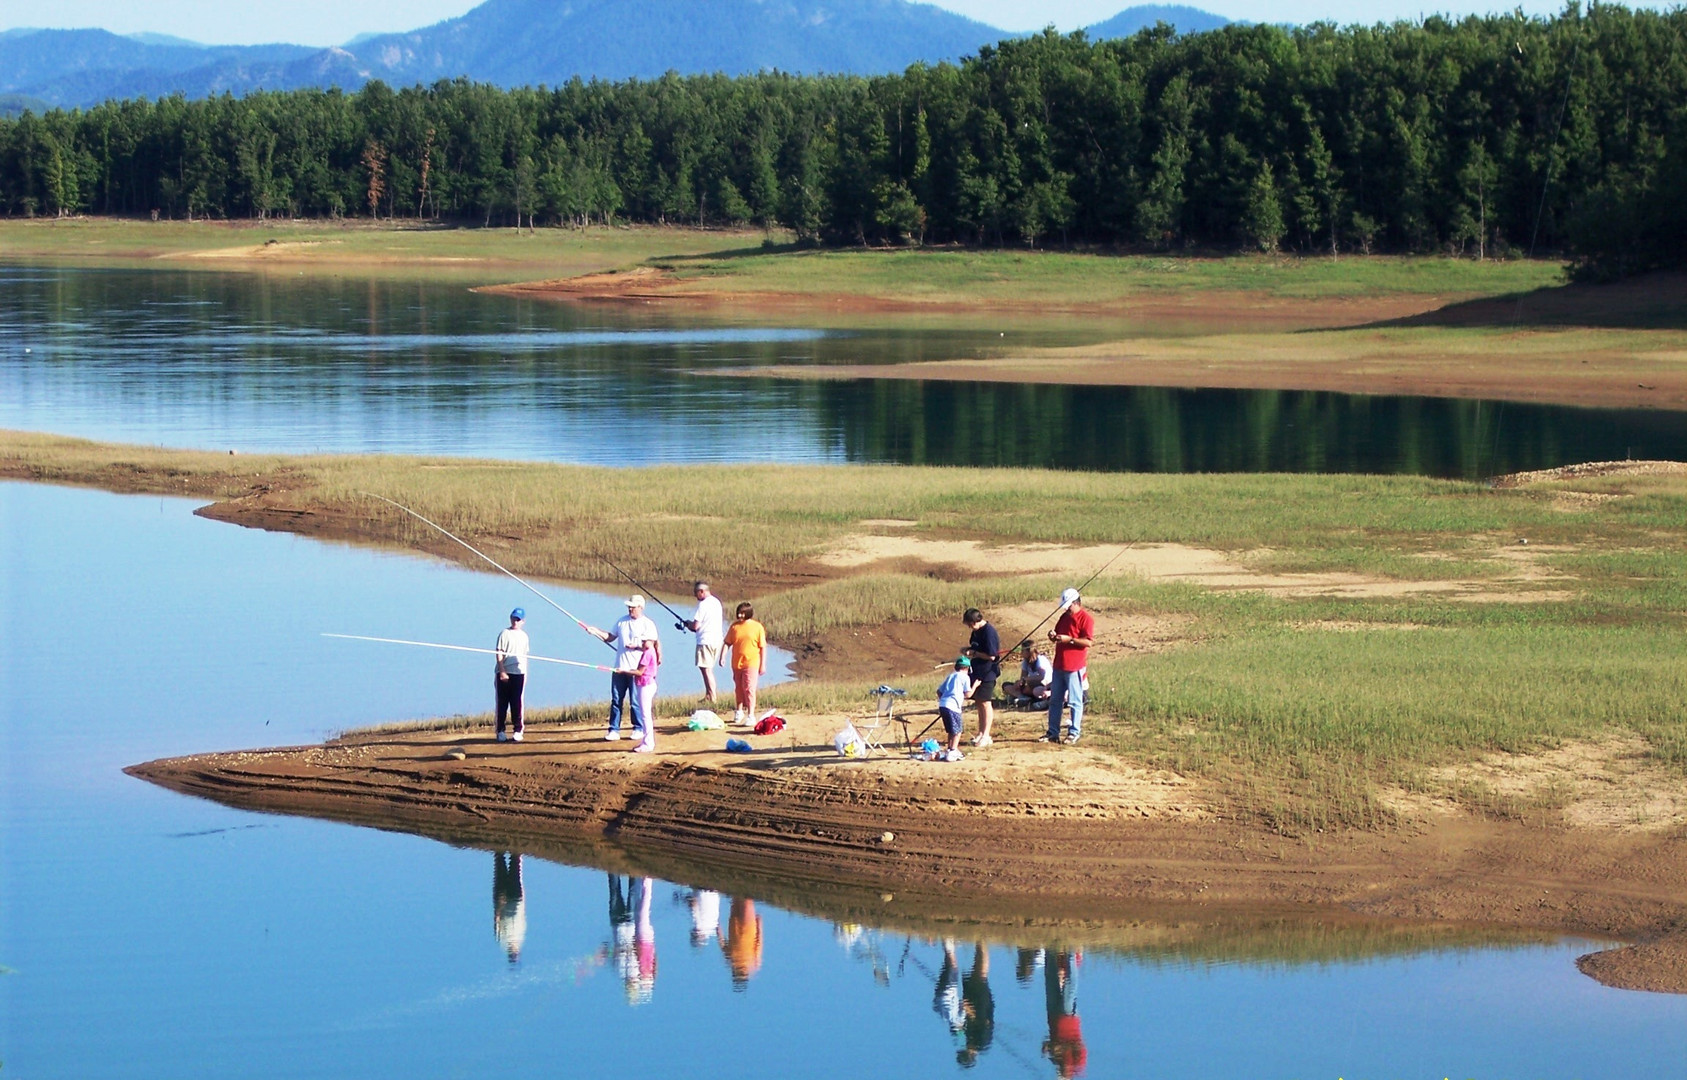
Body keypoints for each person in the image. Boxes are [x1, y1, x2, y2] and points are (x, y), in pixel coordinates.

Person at [588, 595, 660, 741]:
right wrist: (595, 631)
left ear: (640, 607)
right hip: (619, 667)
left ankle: (638, 728)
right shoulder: (622, 621)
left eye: (632, 606)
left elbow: (651, 647)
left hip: (636, 671)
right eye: (629, 606)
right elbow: (610, 637)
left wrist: (636, 646)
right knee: (616, 699)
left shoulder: (648, 624)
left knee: (635, 701)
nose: (630, 609)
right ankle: (614, 730)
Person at [1043, 589, 1094, 745]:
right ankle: (1052, 732)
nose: (1066, 609)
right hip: (1059, 665)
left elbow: (1088, 642)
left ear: (1076, 603)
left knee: (1075, 701)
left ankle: (1074, 732)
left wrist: (1070, 639)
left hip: (1074, 666)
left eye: (1069, 606)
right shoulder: (1064, 617)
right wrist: (1053, 636)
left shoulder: (1086, 619)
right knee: (1055, 700)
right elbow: (1058, 636)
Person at [721, 602, 767, 726]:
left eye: (743, 613)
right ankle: (739, 710)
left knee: (749, 688)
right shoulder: (734, 627)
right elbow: (727, 643)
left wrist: (763, 664)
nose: (740, 616)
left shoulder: (757, 627)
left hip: (751, 662)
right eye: (739, 613)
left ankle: (751, 715)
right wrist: (722, 656)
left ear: (748, 613)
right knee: (739, 688)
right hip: (737, 663)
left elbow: (762, 647)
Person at [1042, 950, 1087, 1078]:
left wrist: (1047, 1047)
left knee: (1050, 980)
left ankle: (1049, 950)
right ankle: (1071, 953)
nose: (1061, 1071)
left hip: (1053, 1017)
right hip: (1068, 1018)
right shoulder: (1078, 1064)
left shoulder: (1056, 1060)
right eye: (1063, 1075)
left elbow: (1050, 1043)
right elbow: (1079, 1046)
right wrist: (1061, 1047)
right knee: (1070, 985)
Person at [962, 608, 1001, 747]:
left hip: (988, 672)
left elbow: (991, 655)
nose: (969, 627)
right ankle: (980, 732)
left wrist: (974, 653)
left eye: (969, 624)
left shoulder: (989, 632)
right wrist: (968, 650)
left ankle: (986, 735)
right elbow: (975, 648)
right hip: (976, 671)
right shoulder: (976, 631)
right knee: (978, 702)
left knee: (985, 702)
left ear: (974, 621)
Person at [684, 581, 725, 703]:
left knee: (706, 670)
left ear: (702, 591)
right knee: (707, 668)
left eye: (696, 593)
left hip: (705, 640)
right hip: (717, 640)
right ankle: (708, 695)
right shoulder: (716, 602)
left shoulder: (703, 605)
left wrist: (688, 624)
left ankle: (712, 697)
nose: (695, 596)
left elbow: (696, 626)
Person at [494, 607, 529, 743]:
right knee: (502, 703)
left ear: (523, 621)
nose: (516, 621)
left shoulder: (524, 636)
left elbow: (524, 656)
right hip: (504, 673)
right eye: (514, 618)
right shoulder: (504, 633)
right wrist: (502, 671)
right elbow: (499, 653)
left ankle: (518, 730)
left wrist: (525, 673)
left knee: (517, 703)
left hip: (518, 673)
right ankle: (500, 731)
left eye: (518, 619)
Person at [959, 942, 996, 1067]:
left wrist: (959, 1028)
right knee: (980, 976)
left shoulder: (969, 1039)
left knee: (976, 973)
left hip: (972, 1003)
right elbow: (984, 1021)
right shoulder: (982, 1042)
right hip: (981, 1003)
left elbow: (961, 1029)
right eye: (965, 1051)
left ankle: (979, 944)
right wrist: (968, 1010)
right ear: (970, 1054)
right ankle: (982, 944)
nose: (965, 1047)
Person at [936, 657, 973, 762]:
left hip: (943, 705)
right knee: (958, 731)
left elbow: (939, 691)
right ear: (968, 668)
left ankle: (950, 749)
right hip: (953, 707)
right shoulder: (965, 677)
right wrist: (976, 685)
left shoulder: (951, 676)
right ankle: (952, 751)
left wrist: (944, 700)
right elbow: (968, 694)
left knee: (951, 731)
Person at [722, 896, 763, 987]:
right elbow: (758, 945)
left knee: (738, 899)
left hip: (735, 923)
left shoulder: (732, 961)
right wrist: (759, 925)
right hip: (745, 926)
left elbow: (723, 945)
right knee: (746, 900)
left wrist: (717, 928)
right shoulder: (754, 964)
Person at [492, 851, 526, 964]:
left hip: (509, 901)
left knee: (501, 866)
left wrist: (498, 908)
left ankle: (505, 850)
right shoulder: (518, 937)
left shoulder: (504, 940)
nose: (515, 951)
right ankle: (514, 851)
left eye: (513, 953)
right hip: (515, 900)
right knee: (512, 867)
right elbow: (521, 916)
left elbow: (497, 922)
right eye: (515, 953)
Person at [631, 636, 659, 753]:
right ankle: (646, 741)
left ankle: (648, 743)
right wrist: (635, 647)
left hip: (645, 686)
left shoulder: (648, 653)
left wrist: (622, 671)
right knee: (645, 715)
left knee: (645, 715)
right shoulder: (651, 651)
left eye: (644, 641)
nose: (642, 642)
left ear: (651, 640)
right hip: (648, 684)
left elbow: (639, 672)